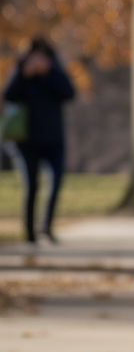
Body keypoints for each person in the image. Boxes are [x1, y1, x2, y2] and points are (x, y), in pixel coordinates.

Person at [2, 36, 75, 243]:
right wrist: (25, 74)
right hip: (26, 140)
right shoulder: (22, 71)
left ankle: (47, 226)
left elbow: (69, 93)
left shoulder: (55, 71)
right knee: (32, 185)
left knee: (57, 180)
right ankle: (29, 232)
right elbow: (9, 95)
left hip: (53, 138)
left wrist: (49, 73)